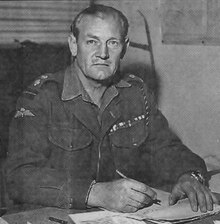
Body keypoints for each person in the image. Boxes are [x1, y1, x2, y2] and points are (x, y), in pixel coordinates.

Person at [5, 4, 218, 213]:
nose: (103, 53)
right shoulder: (42, 97)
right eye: (92, 41)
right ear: (73, 44)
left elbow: (165, 148)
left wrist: (190, 175)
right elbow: (19, 176)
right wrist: (96, 193)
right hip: (55, 215)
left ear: (124, 47)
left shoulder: (134, 93)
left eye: (113, 43)